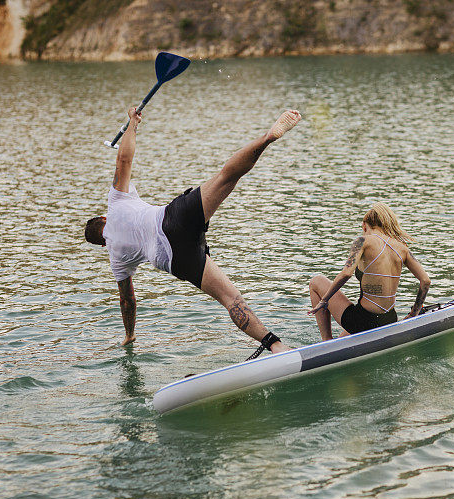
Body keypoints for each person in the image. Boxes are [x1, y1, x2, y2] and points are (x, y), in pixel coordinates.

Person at [85, 105, 301, 355]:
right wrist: (132, 123)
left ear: (102, 244)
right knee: (225, 178)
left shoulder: (115, 258)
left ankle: (276, 345)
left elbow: (128, 301)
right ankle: (267, 138)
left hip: (175, 258)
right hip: (172, 218)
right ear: (103, 217)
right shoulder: (116, 203)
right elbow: (124, 160)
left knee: (231, 300)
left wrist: (130, 334)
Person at [308, 202, 431, 340]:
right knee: (343, 338)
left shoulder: (362, 241)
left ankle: (326, 342)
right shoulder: (402, 248)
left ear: (364, 225)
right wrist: (414, 313)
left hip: (364, 320)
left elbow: (346, 273)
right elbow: (425, 281)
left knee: (316, 281)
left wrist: (324, 300)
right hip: (389, 320)